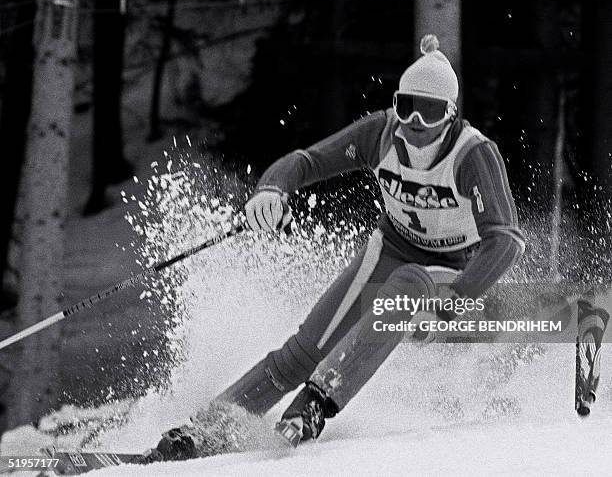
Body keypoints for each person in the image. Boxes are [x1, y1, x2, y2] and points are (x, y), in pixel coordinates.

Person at [148, 34, 525, 460]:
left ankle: (316, 404)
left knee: (409, 282)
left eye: (431, 110)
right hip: (394, 247)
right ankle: (203, 432)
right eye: (406, 106)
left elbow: (507, 240)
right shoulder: (381, 133)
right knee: (301, 352)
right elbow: (308, 161)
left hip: (455, 270)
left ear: (451, 114)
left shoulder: (473, 154)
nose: (415, 121)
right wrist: (272, 190)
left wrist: (458, 298)